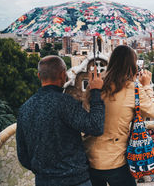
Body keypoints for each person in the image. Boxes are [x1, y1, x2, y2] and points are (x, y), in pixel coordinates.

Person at [16, 55, 105, 186]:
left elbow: (23, 156)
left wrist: (45, 172)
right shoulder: (65, 103)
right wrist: (96, 91)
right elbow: (95, 126)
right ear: (63, 74)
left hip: (43, 181)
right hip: (75, 180)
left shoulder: (25, 108)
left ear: (39, 76)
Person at [85, 45, 154, 186]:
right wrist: (147, 86)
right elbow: (153, 111)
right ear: (132, 65)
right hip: (116, 160)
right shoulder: (134, 88)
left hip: (90, 157)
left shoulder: (96, 86)